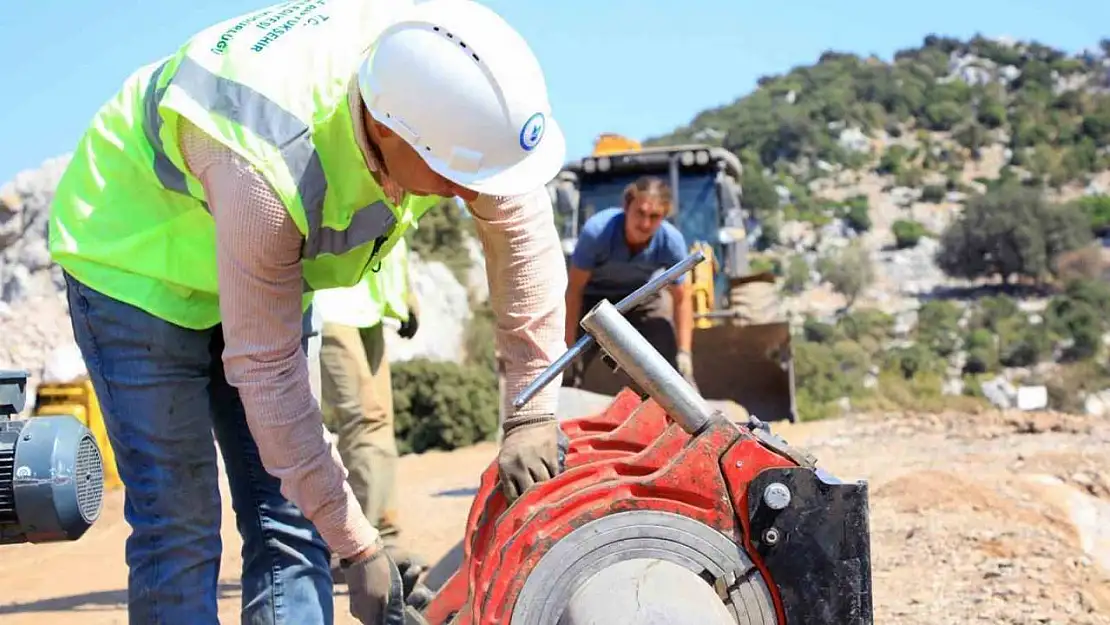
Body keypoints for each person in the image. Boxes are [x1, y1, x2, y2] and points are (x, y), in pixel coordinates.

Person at [46, 1, 569, 623]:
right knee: (179, 521)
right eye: (455, 177)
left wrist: (532, 410)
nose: (467, 194)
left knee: (290, 519)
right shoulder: (271, 159)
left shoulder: (447, 72)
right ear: (387, 131)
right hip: (136, 265)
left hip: (258, 262)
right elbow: (265, 371)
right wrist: (358, 546)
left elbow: (523, 241)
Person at [312, 237, 423, 584]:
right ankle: (360, 544)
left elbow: (396, 229)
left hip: (369, 305)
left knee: (378, 421)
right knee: (363, 418)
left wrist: (405, 292)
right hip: (327, 301)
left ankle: (381, 536)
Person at [564, 177, 695, 387]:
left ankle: (685, 402)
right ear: (626, 206)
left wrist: (684, 352)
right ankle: (566, 390)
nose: (645, 224)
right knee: (567, 366)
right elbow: (574, 290)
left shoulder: (671, 241)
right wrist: (568, 345)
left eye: (654, 217)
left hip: (640, 297)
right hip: (592, 301)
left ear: (664, 216)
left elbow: (682, 298)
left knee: (670, 358)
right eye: (640, 213)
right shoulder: (597, 232)